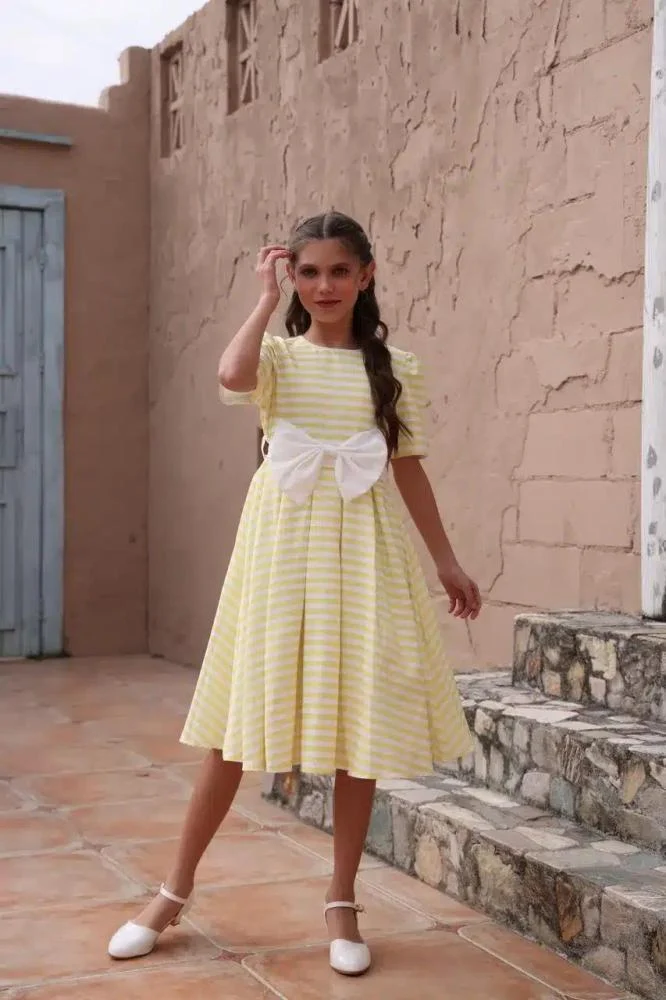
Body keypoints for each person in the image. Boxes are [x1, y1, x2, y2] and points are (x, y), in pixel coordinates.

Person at [108, 211, 480, 976]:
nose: (324, 286)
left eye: (339, 271)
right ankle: (171, 894)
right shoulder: (276, 355)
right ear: (292, 279)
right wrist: (263, 300)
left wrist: (445, 560)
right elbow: (231, 376)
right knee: (236, 725)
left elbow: (408, 466)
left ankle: (341, 901)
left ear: (366, 276)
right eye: (308, 272)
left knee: (358, 723)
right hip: (281, 550)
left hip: (364, 548)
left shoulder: (395, 368)